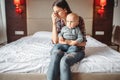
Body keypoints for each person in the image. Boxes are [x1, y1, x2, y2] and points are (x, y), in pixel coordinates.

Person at [47, 0, 87, 80]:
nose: (55, 14)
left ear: (65, 9)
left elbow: (83, 43)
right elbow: (55, 41)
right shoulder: (58, 21)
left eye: (57, 11)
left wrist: (69, 42)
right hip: (62, 48)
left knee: (64, 61)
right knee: (56, 54)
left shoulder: (77, 19)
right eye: (54, 12)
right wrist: (53, 23)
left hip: (76, 50)